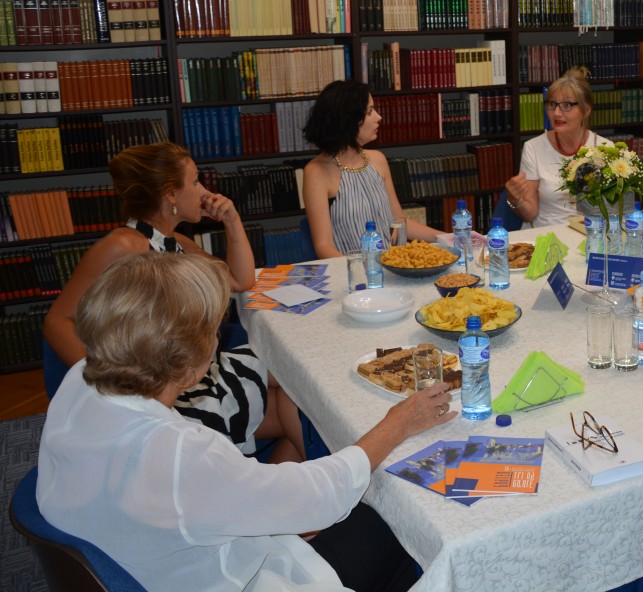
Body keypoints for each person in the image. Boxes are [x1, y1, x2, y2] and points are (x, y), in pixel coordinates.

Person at [38, 252, 456, 591]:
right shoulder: (180, 453)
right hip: (225, 578)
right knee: (400, 523)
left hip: (143, 549)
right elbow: (316, 498)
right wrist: (398, 423)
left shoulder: (81, 379)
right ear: (190, 367)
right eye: (213, 332)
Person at [43, 142, 305, 463]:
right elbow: (57, 321)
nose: (204, 191)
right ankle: (280, 485)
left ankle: (284, 483)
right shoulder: (124, 244)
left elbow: (241, 280)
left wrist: (232, 221)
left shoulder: (173, 241)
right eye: (195, 182)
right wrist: (112, 389)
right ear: (170, 194)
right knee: (297, 407)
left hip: (196, 370)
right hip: (168, 389)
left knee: (297, 382)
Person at [302, 80, 440, 259]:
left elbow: (399, 223)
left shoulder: (378, 159)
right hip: (351, 269)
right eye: (369, 112)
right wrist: (358, 270)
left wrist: (447, 237)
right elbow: (323, 247)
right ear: (347, 120)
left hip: (391, 264)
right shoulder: (316, 172)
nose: (378, 117)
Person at [504, 66, 614, 228]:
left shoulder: (606, 148)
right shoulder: (533, 148)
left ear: (586, 110)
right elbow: (530, 214)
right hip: (545, 233)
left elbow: (612, 210)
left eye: (567, 105)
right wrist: (515, 199)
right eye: (552, 104)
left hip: (590, 232)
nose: (556, 113)